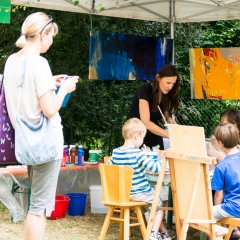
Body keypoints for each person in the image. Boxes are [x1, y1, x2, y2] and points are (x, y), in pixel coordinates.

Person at [4, 12, 78, 240]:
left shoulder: (12, 61)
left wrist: (50, 81)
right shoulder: (39, 62)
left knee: (34, 205)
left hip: (26, 140)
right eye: (51, 36)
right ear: (43, 34)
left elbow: (21, 91)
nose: (52, 41)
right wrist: (64, 89)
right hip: (45, 143)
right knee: (38, 209)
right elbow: (49, 108)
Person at [108, 118, 174, 240]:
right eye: (142, 137)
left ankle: (156, 231)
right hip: (140, 193)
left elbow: (110, 168)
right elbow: (155, 168)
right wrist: (164, 158)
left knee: (148, 206)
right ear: (137, 135)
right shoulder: (138, 154)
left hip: (123, 194)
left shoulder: (116, 152)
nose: (142, 141)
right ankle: (153, 234)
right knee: (158, 207)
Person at [128, 64, 179, 150]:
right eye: (168, 83)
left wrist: (168, 119)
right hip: (136, 134)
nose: (170, 87)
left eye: (173, 84)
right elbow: (146, 122)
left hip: (153, 132)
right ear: (158, 78)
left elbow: (162, 112)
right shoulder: (145, 90)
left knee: (160, 158)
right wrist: (168, 135)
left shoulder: (165, 92)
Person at [211, 123, 240, 222]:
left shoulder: (221, 166)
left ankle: (218, 234)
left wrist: (218, 213)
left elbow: (218, 195)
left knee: (204, 213)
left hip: (234, 208)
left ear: (220, 143)